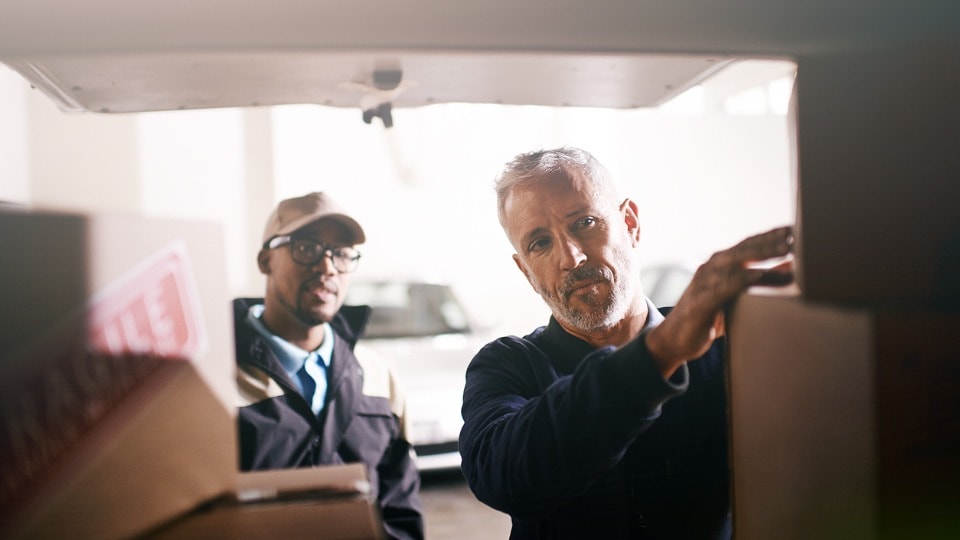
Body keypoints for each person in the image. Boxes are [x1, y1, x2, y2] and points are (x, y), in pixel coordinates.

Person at [459, 147, 793, 539]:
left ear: (630, 223)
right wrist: (659, 354)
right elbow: (502, 477)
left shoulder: (724, 345)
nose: (572, 257)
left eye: (584, 222)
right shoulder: (507, 365)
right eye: (540, 243)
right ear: (526, 271)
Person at [234, 192, 424, 540]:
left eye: (340, 253)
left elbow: (399, 507)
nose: (327, 268)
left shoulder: (379, 376)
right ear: (265, 261)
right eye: (306, 248)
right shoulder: (211, 378)